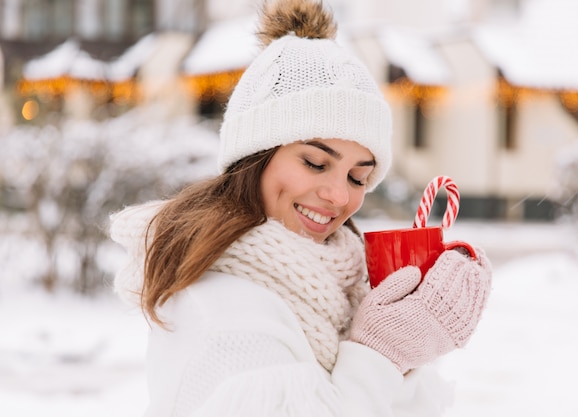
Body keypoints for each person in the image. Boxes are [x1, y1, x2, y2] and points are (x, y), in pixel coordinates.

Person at [109, 0, 492, 416]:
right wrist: (381, 353)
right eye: (315, 163)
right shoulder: (223, 311)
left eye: (357, 177)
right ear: (254, 156)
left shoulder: (338, 293)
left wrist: (414, 339)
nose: (338, 196)